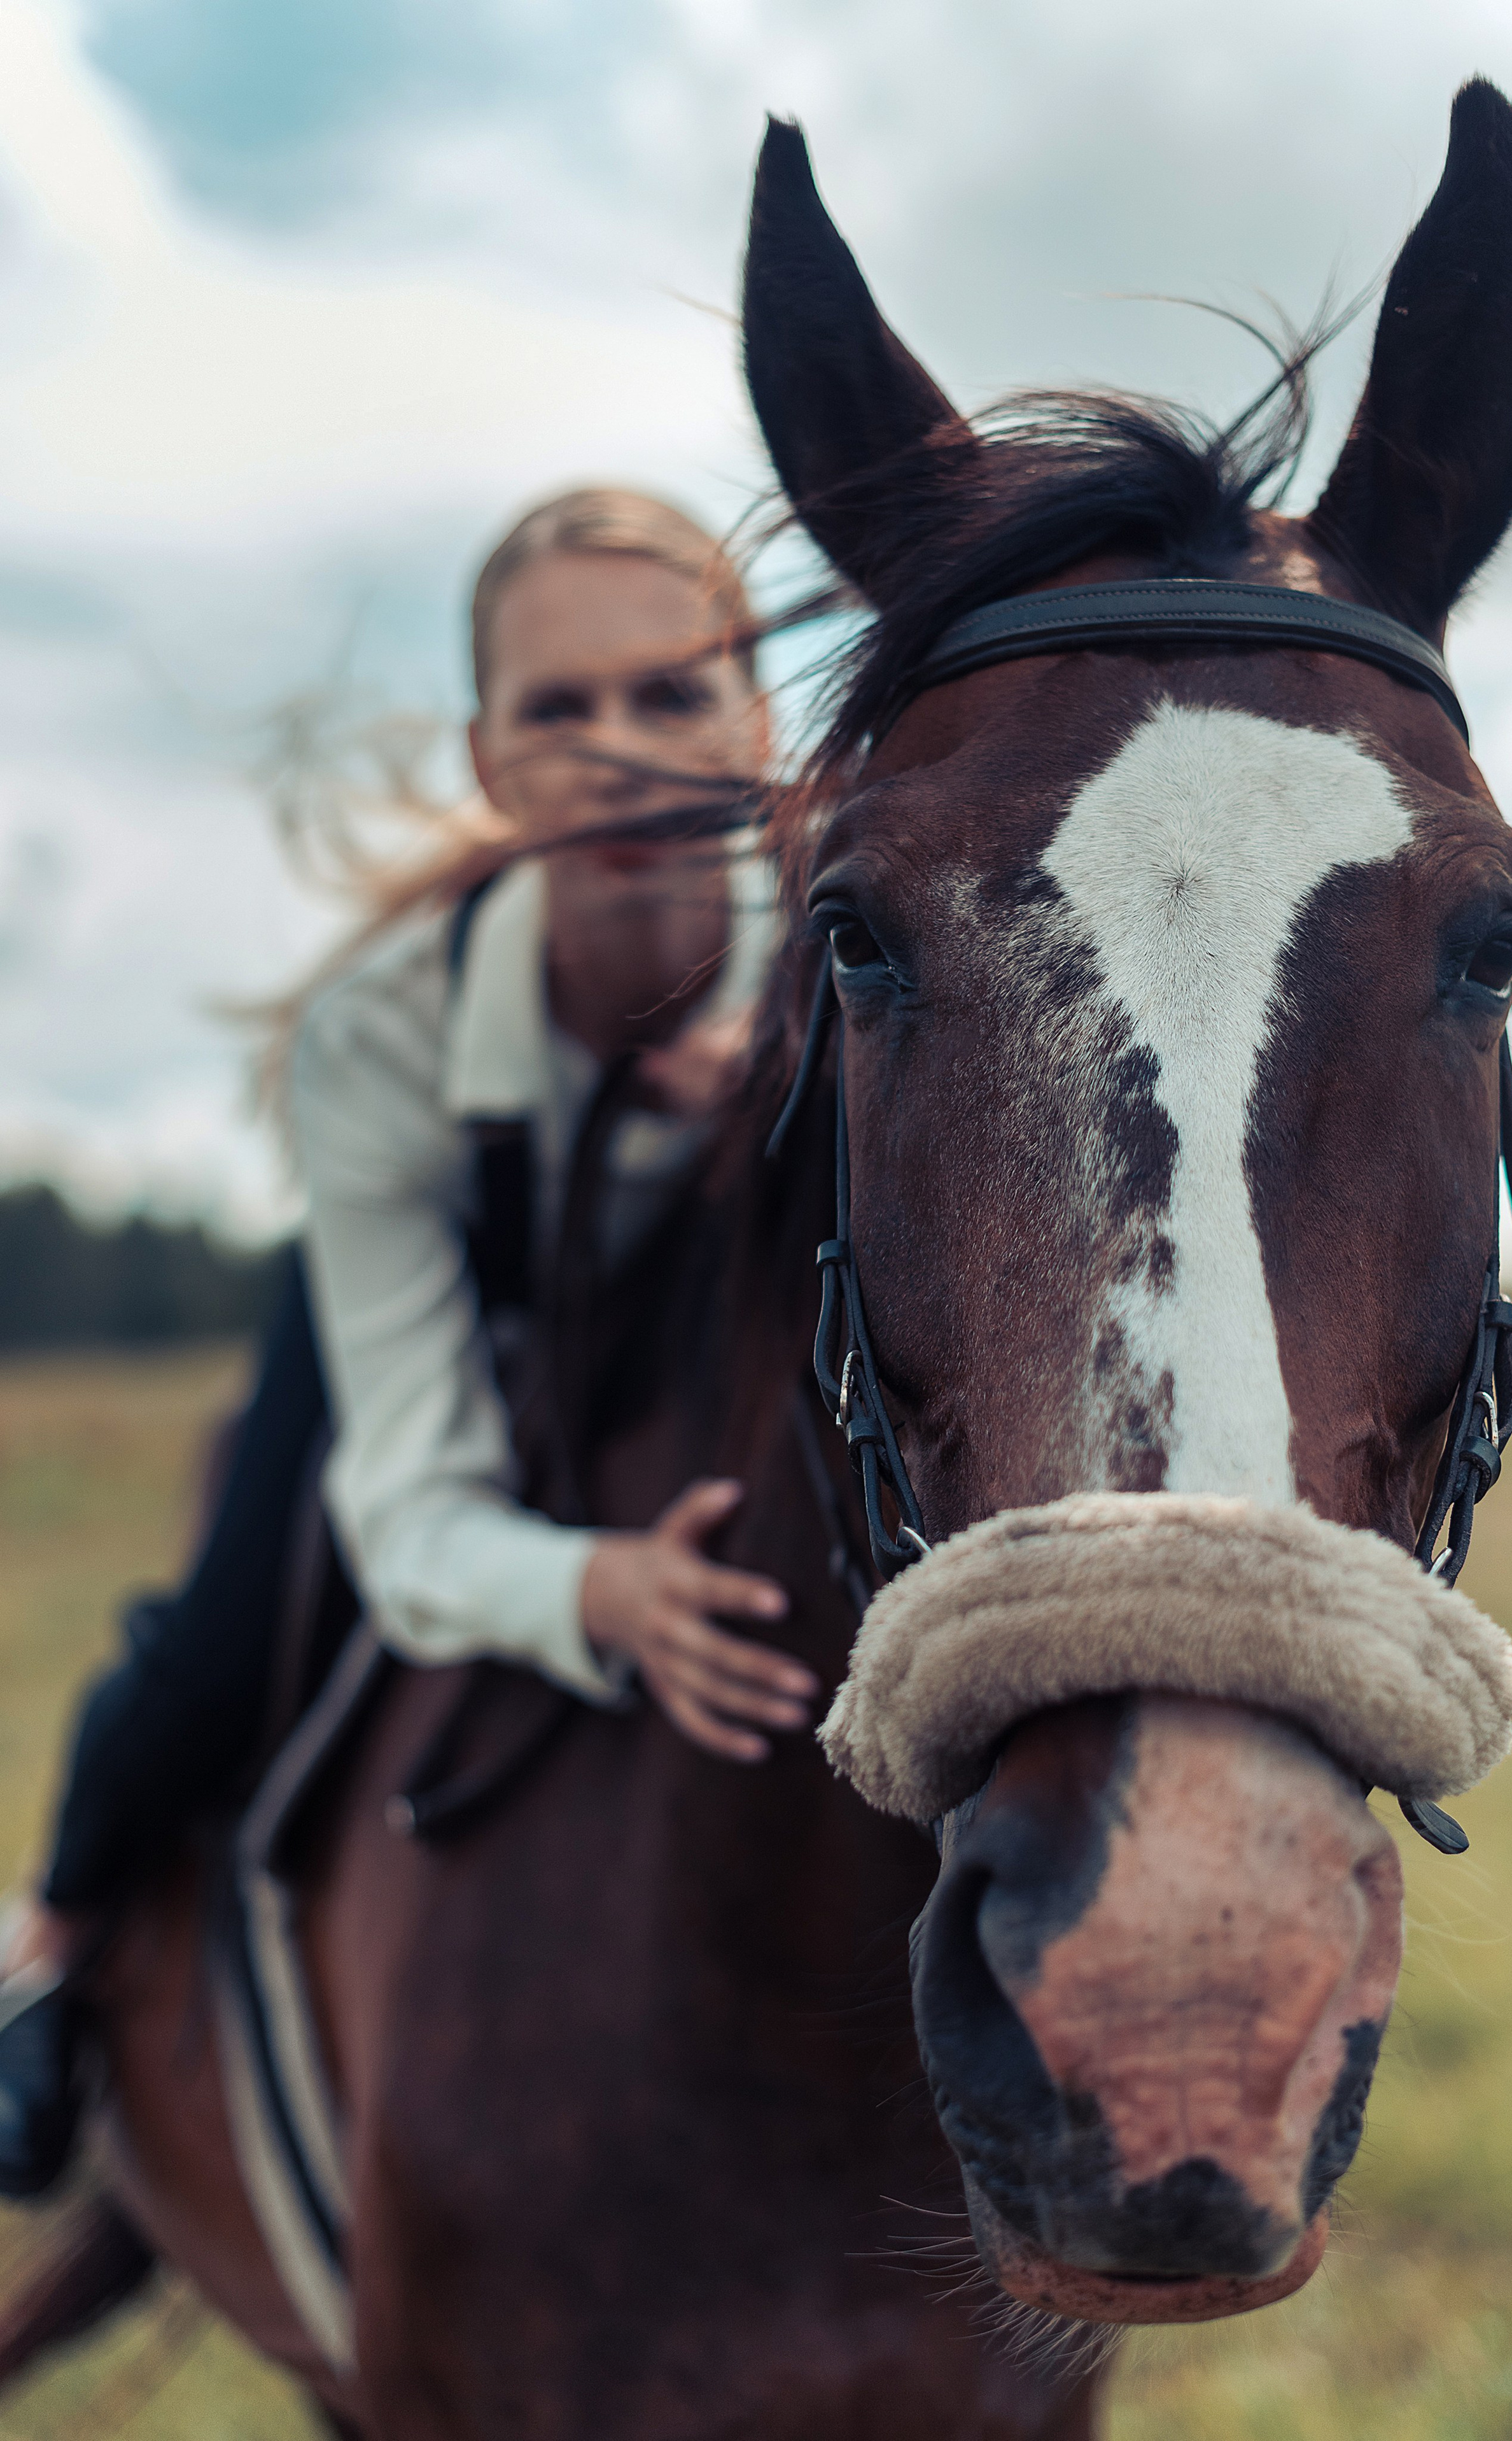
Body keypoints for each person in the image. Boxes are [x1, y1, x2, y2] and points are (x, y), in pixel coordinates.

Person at [0, 489, 818, 2196]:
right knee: (224, 1632)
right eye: (557, 711)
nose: (616, 749)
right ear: (491, 760)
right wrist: (602, 1593)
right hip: (458, 1284)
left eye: (671, 694)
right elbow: (418, 1512)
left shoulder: (851, 940)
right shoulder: (381, 1036)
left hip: (696, 1302)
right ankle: (52, 1947)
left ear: (758, 716)